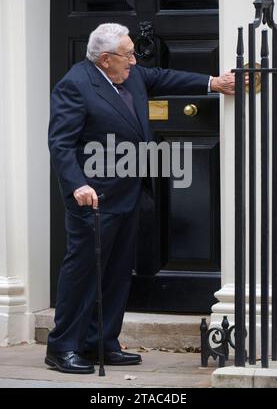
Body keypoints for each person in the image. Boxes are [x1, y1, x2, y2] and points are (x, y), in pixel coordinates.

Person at [46, 23, 234, 374]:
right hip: (94, 196)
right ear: (105, 59)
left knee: (117, 273)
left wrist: (213, 83)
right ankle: (62, 347)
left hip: (129, 190)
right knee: (84, 273)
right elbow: (61, 143)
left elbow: (164, 77)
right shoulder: (75, 85)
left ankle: (100, 342)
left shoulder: (129, 74)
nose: (135, 60)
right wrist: (77, 185)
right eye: (128, 54)